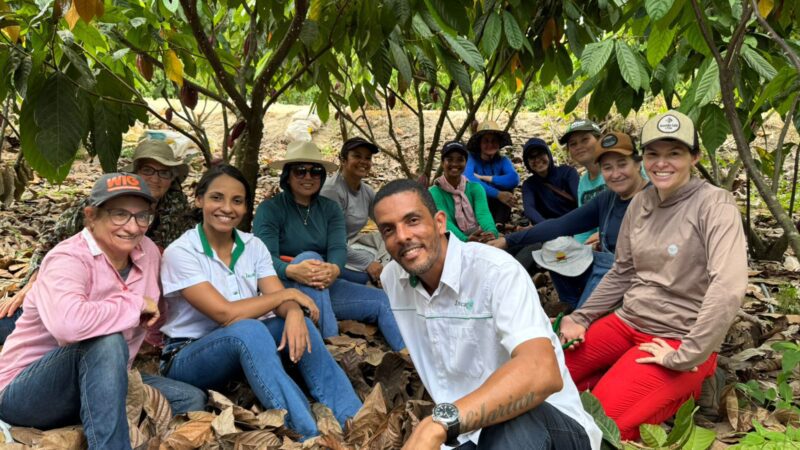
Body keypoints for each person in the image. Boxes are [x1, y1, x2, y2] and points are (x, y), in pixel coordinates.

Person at [557, 111, 747, 440]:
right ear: (644, 158)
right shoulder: (642, 201)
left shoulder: (714, 205)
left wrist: (686, 354)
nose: (662, 163)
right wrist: (582, 316)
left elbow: (728, 287)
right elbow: (623, 270)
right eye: (653, 154)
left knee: (600, 427)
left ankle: (698, 377)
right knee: (542, 378)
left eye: (674, 153)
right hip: (628, 321)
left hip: (676, 336)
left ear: (695, 157)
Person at [372, 179, 601, 450]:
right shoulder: (393, 279)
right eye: (389, 229)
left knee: (511, 423)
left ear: (440, 222)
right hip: (467, 434)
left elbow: (542, 371)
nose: (402, 236)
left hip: (544, 426)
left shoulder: (495, 271)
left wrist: (438, 423)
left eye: (412, 220)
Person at [0, 173, 206, 450]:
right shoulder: (67, 258)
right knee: (107, 340)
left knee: (188, 399)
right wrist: (134, 304)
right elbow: (68, 327)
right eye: (119, 214)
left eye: (142, 216)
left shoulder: (149, 253)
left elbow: (160, 314)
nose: (132, 227)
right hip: (25, 392)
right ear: (91, 216)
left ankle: (101, 425)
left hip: (107, 378)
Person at [159, 164, 361, 441]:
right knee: (249, 328)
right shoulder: (182, 252)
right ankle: (307, 435)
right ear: (199, 199)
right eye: (217, 197)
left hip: (245, 345)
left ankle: (355, 418)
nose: (227, 208)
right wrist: (287, 296)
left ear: (245, 208)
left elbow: (276, 296)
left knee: (285, 323)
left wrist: (292, 313)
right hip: (189, 355)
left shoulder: (252, 245)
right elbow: (225, 314)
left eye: (237, 201)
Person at [0, 140, 194, 344]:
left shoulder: (175, 205)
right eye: (148, 170)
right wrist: (34, 280)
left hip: (133, 291)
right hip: (85, 284)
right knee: (30, 321)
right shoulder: (103, 201)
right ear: (135, 172)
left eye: (164, 173)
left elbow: (173, 256)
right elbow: (55, 239)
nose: (156, 178)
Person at [253, 141, 405, 351]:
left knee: (380, 300)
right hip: (283, 289)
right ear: (287, 175)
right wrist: (291, 270)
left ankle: (410, 357)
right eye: (300, 171)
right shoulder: (270, 209)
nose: (308, 177)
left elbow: (337, 248)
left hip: (323, 285)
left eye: (315, 172)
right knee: (308, 258)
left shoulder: (329, 208)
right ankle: (331, 347)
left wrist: (334, 268)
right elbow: (264, 259)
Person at [489, 132, 649, 309]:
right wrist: (507, 240)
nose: (615, 174)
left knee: (583, 319)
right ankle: (570, 304)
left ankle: (580, 313)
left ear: (638, 163)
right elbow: (560, 225)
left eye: (622, 164)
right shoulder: (608, 198)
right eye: (608, 167)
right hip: (605, 264)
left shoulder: (654, 197)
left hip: (634, 277)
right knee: (554, 252)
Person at [320, 136, 385, 285]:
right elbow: (331, 242)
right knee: (366, 279)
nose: (363, 161)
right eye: (357, 156)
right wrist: (368, 262)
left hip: (347, 247)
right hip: (326, 254)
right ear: (343, 160)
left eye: (367, 158)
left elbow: (384, 221)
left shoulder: (366, 191)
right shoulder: (332, 191)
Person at [429, 141, 499, 243]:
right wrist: (465, 240)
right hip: (448, 240)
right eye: (450, 159)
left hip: (474, 234)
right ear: (442, 163)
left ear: (466, 162)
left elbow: (483, 214)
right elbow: (445, 222)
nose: (454, 164)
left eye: (460, 160)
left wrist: (491, 232)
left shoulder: (475, 188)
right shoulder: (434, 192)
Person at [464, 121, 519, 226]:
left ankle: (499, 224)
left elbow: (514, 179)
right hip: (477, 208)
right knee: (473, 189)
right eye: (486, 141)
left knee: (508, 189)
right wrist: (497, 194)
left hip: (498, 209)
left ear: (498, 143)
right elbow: (468, 178)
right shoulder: (471, 158)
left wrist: (485, 177)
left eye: (494, 141)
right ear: (480, 144)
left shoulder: (503, 160)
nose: (490, 144)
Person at [559, 119, 605, 244]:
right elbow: (585, 224)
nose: (579, 146)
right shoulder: (583, 182)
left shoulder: (619, 170)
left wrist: (607, 233)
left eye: (585, 140)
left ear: (600, 140)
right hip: (598, 247)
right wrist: (580, 250)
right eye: (573, 144)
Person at [520, 137, 579, 225]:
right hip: (550, 228)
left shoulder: (568, 172)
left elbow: (580, 198)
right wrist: (550, 227)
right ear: (527, 163)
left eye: (540, 154)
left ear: (548, 154)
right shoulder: (529, 185)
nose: (537, 160)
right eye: (532, 157)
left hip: (576, 222)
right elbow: (529, 209)